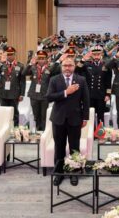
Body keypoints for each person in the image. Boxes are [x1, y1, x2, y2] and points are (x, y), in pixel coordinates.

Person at [47, 57, 89, 187]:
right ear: (61, 67)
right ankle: (58, 173)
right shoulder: (54, 79)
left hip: (75, 119)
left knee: (74, 147)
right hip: (58, 119)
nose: (67, 68)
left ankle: (74, 172)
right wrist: (66, 92)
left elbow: (86, 100)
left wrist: (85, 118)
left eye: (70, 65)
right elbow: (49, 97)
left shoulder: (81, 80)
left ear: (74, 66)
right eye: (65, 65)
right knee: (59, 147)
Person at [76, 45, 112, 125]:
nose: (96, 56)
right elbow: (77, 70)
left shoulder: (105, 65)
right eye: (94, 54)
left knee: (100, 115)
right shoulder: (87, 64)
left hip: (101, 94)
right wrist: (83, 60)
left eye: (98, 54)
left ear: (101, 54)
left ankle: (100, 131)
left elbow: (108, 82)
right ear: (91, 55)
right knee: (90, 115)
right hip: (89, 94)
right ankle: (90, 130)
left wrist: (108, 94)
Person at [0, 47, 25, 126]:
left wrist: (22, 94)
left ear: (15, 55)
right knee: (4, 111)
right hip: (3, 92)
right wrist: (1, 63)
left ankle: (15, 128)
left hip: (14, 93)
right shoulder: (2, 64)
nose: (9, 56)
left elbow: (22, 81)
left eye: (11, 54)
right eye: (8, 54)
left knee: (14, 112)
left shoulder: (20, 65)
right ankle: (4, 128)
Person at [23, 50, 53, 131]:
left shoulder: (50, 68)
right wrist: (30, 63)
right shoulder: (33, 67)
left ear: (46, 59)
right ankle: (38, 130)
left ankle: (43, 131)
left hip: (45, 95)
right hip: (34, 94)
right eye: (39, 58)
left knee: (43, 115)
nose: (41, 60)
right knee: (36, 115)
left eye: (43, 58)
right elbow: (24, 73)